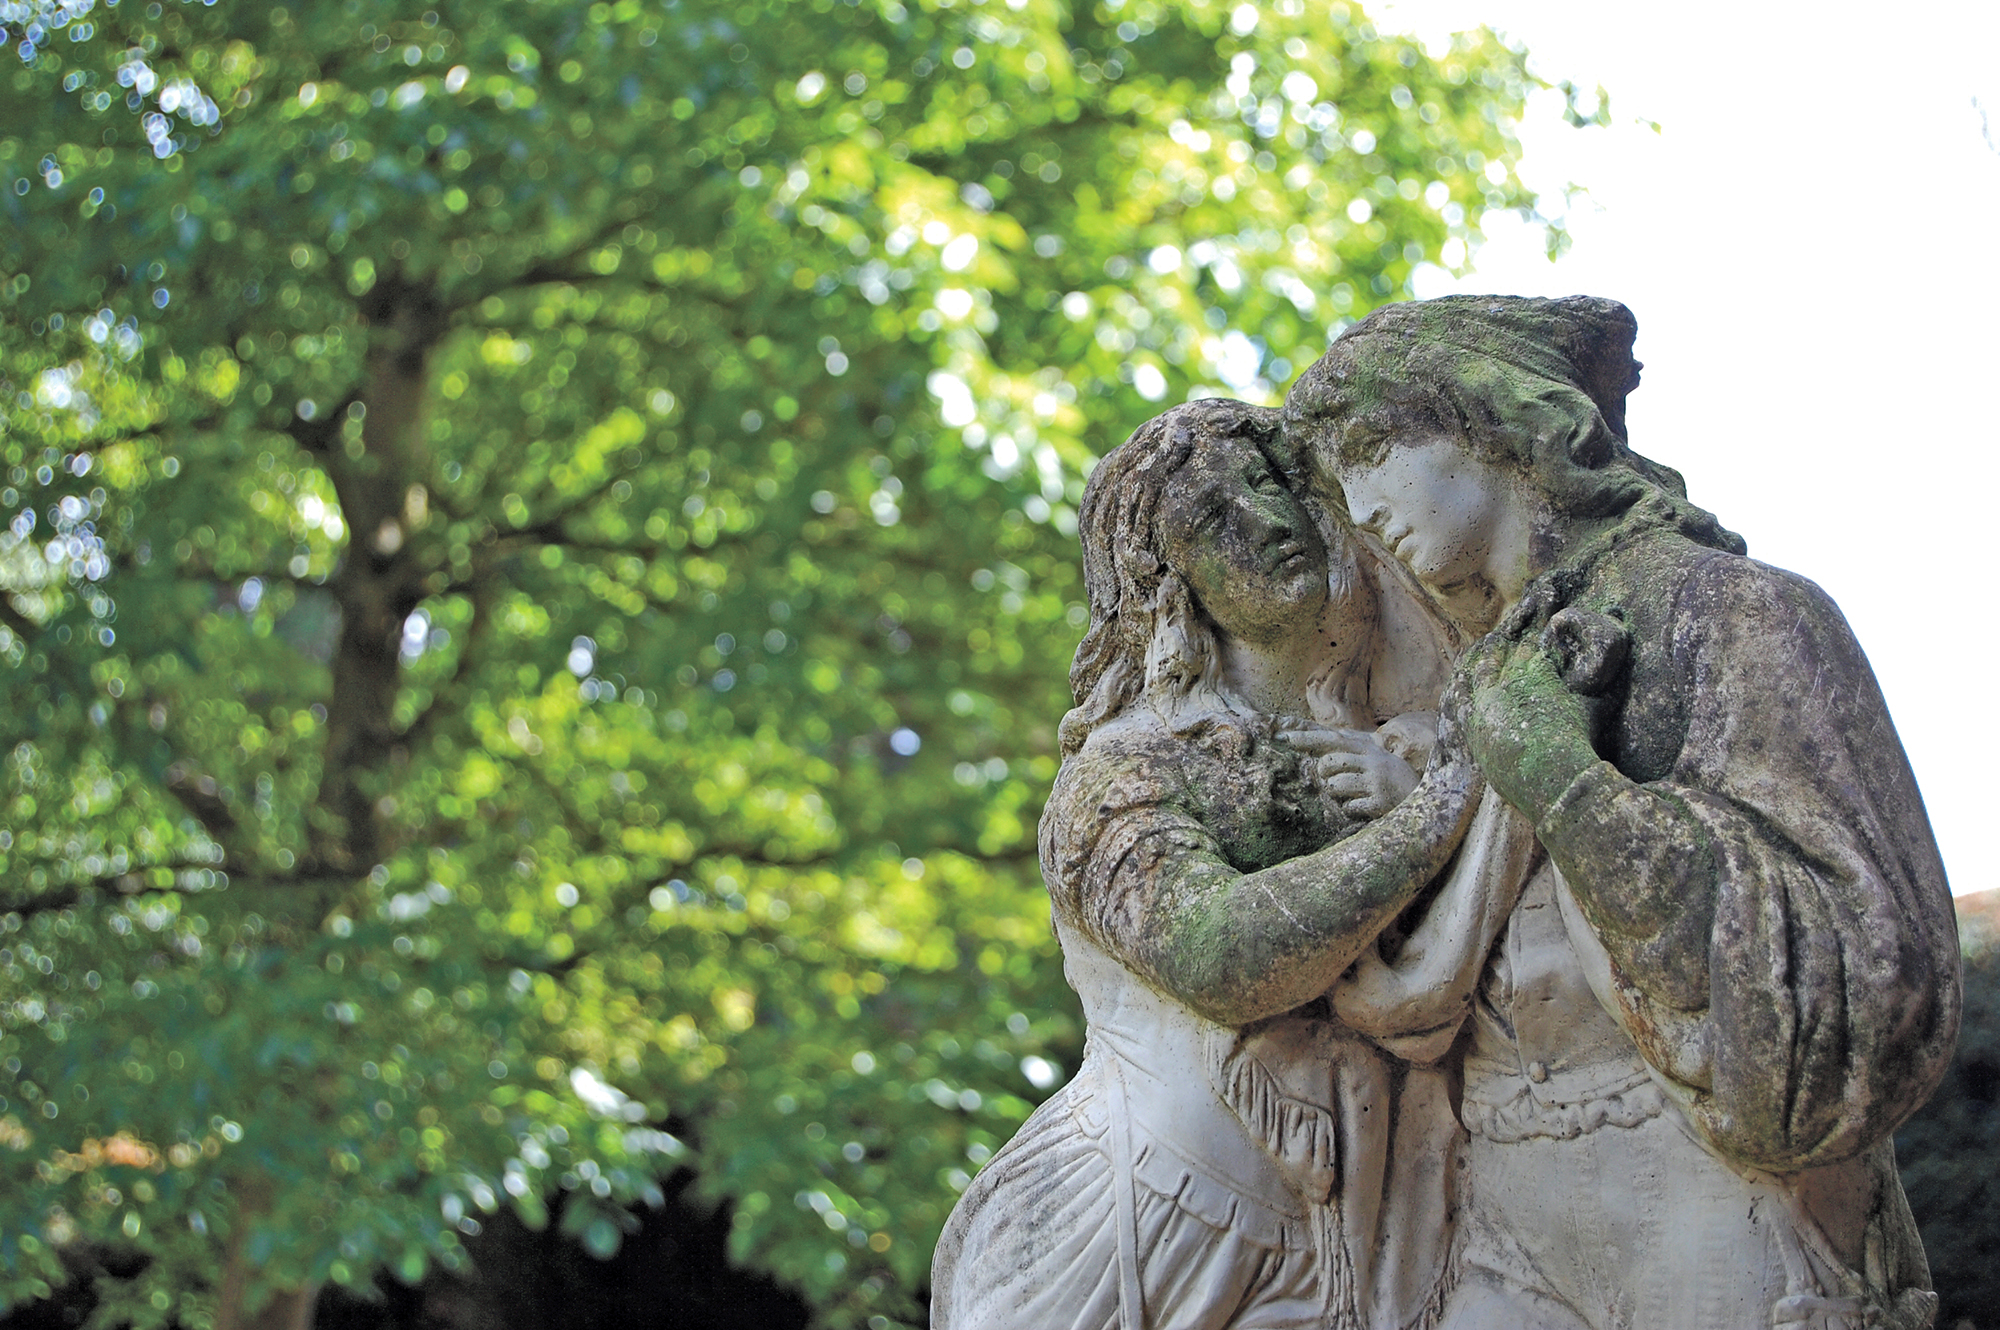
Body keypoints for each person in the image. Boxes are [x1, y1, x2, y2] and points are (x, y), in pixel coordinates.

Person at [1287, 294, 1961, 1330]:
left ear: (1492, 421)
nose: (1362, 502)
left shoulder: (1730, 613)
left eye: (1375, 445)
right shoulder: (1480, 687)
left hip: (1712, 1213)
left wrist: (1565, 784)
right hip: (1496, 1219)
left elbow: (1865, 979)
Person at [931, 397, 1518, 1330]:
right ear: (1174, 583)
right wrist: (1453, 805)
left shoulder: (1395, 739)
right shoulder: (1123, 773)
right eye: (1214, 521)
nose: (1265, 522)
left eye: (1265, 484)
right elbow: (1219, 955)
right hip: (1139, 1241)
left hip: (1360, 1238)